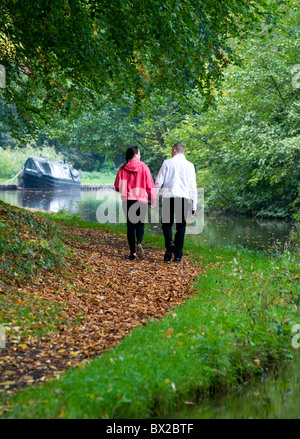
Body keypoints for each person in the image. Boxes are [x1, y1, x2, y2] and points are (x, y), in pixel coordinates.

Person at [155, 142, 197, 263]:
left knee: (166, 224)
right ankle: (178, 256)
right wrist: (194, 204)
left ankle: (170, 244)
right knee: (181, 227)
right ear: (182, 151)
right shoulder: (190, 165)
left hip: (169, 197)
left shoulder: (167, 163)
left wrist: (153, 197)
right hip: (183, 198)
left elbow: (158, 181)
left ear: (174, 150)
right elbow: (193, 187)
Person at [114, 146, 156, 260]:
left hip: (128, 200)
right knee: (140, 224)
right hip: (141, 200)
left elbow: (117, 186)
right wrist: (153, 200)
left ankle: (132, 253)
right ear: (135, 154)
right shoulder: (144, 167)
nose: (140, 155)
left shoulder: (123, 169)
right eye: (139, 153)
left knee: (131, 227)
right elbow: (150, 186)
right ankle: (139, 243)